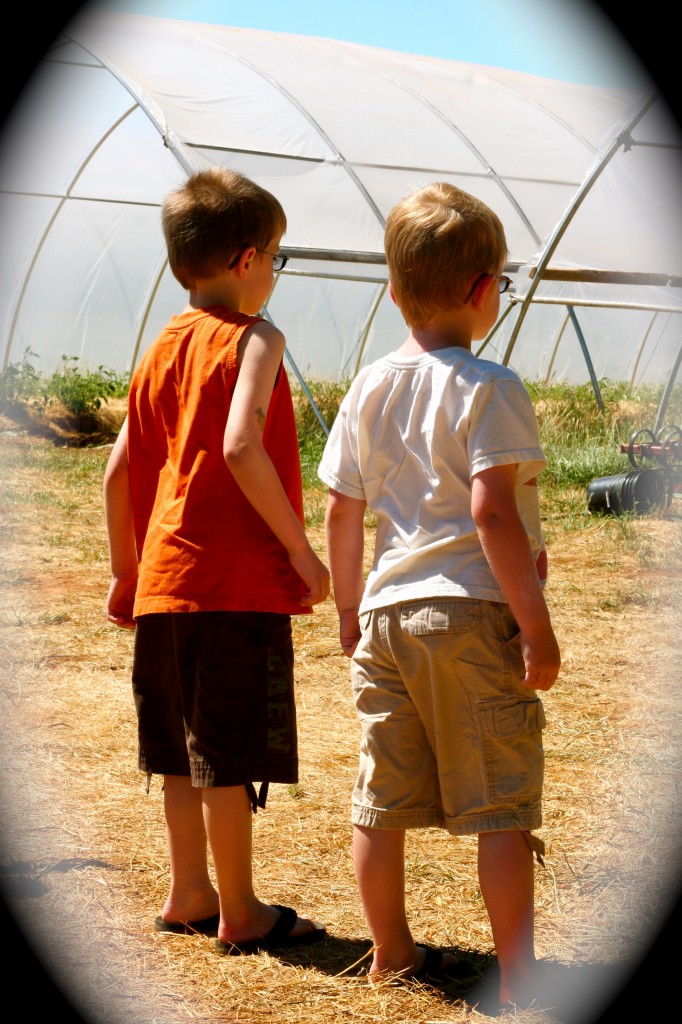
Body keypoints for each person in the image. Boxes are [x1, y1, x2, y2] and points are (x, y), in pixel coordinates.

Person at [318, 182, 561, 1007]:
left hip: (385, 615)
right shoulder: (491, 388)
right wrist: (535, 625)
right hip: (469, 612)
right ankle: (522, 977)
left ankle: (390, 952)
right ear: (484, 289)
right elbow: (493, 512)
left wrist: (350, 610)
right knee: (500, 804)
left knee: (379, 799)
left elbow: (342, 509)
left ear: (395, 289)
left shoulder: (368, 387)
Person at [103, 167, 330, 956]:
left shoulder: (158, 348)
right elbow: (240, 446)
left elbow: (118, 471)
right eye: (276, 255)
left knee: (178, 751)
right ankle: (240, 910)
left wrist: (124, 570)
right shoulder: (257, 338)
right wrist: (302, 551)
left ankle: (188, 891)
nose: (274, 271)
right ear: (245, 260)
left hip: (164, 584)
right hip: (228, 584)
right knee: (225, 753)